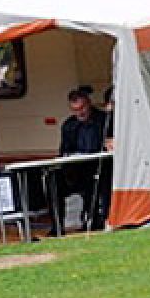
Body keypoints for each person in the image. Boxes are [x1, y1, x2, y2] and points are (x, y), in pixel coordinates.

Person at [54, 88, 109, 233]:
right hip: (76, 169)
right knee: (54, 182)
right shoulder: (69, 125)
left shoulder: (104, 120)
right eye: (75, 109)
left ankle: (95, 219)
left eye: (82, 107)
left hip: (100, 166)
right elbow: (64, 151)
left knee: (97, 178)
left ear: (89, 103)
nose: (80, 113)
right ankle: (57, 226)